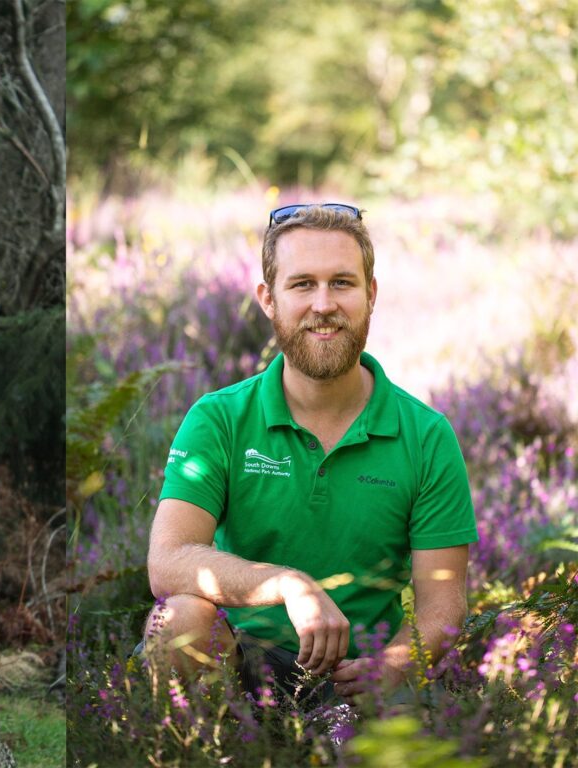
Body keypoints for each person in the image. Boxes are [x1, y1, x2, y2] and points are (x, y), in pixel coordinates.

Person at [143, 203, 477, 704]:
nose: (323, 304)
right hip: (235, 660)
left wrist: (390, 669)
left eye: (342, 282)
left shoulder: (426, 435)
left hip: (359, 678)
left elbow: (443, 604)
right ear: (268, 299)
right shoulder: (219, 418)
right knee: (179, 617)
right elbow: (166, 562)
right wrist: (286, 584)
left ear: (371, 294)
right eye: (302, 285)